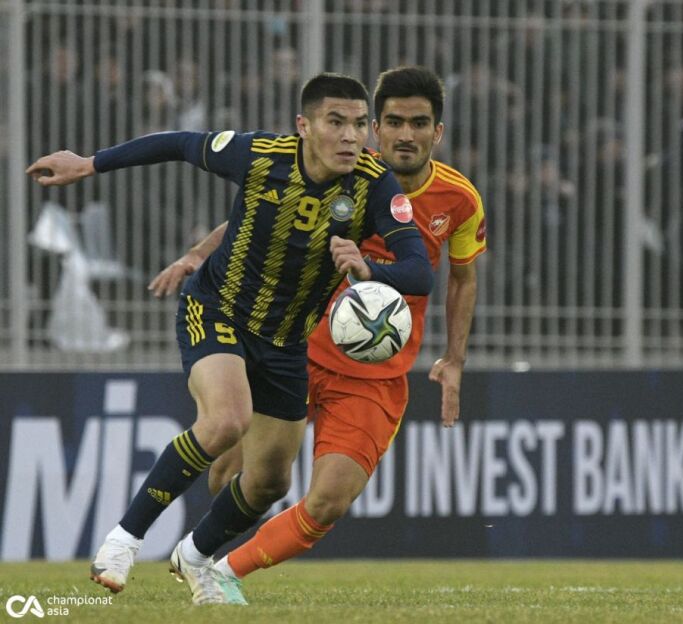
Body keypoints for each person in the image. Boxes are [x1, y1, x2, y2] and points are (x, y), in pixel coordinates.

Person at [27, 72, 433, 604]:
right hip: (217, 310)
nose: (350, 137)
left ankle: (195, 554)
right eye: (335, 122)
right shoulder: (259, 155)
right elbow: (178, 143)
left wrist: (369, 268)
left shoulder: (375, 184)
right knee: (225, 421)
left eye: (359, 125)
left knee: (270, 482)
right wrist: (90, 163)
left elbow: (420, 271)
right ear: (304, 125)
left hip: (286, 343)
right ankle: (123, 540)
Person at [149, 66, 486, 605]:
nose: (406, 134)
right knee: (231, 475)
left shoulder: (460, 199)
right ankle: (202, 556)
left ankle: (218, 569)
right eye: (394, 122)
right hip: (298, 346)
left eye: (419, 123)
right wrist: (197, 255)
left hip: (374, 373)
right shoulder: (342, 172)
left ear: (437, 132)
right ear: (375, 128)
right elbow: (256, 219)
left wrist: (454, 359)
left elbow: (463, 278)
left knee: (328, 502)